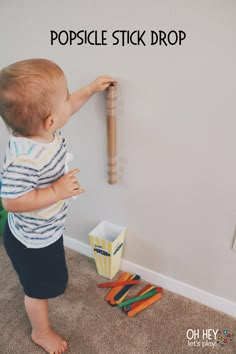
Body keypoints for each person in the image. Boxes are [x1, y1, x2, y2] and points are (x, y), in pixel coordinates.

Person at [0, 58, 116, 354]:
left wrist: (89, 89)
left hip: (46, 230)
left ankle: (42, 289)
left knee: (52, 277)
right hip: (31, 241)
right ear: (50, 121)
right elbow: (11, 201)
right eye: (65, 98)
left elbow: (68, 108)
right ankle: (41, 331)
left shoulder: (42, 129)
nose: (70, 101)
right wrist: (55, 190)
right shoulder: (23, 159)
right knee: (37, 290)